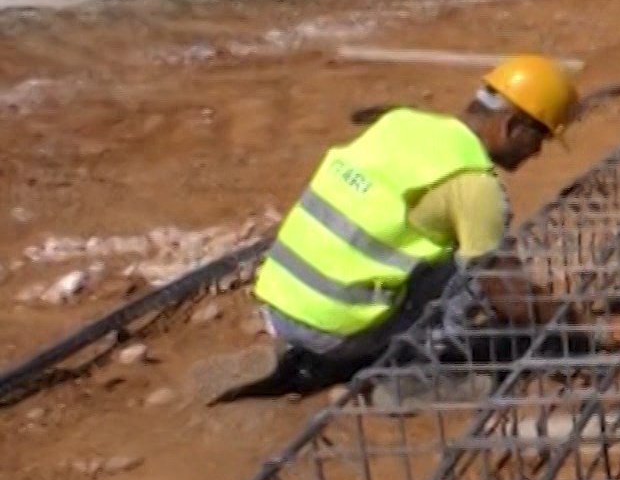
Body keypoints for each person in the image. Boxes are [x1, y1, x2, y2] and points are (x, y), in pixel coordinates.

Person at [217, 56, 581, 402]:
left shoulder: (400, 123)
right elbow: (510, 300)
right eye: (540, 138)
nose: (536, 153)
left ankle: (305, 351)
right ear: (512, 125)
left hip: (279, 304)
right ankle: (415, 377)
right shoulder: (474, 187)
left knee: (450, 247)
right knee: (474, 269)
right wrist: (575, 327)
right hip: (336, 330)